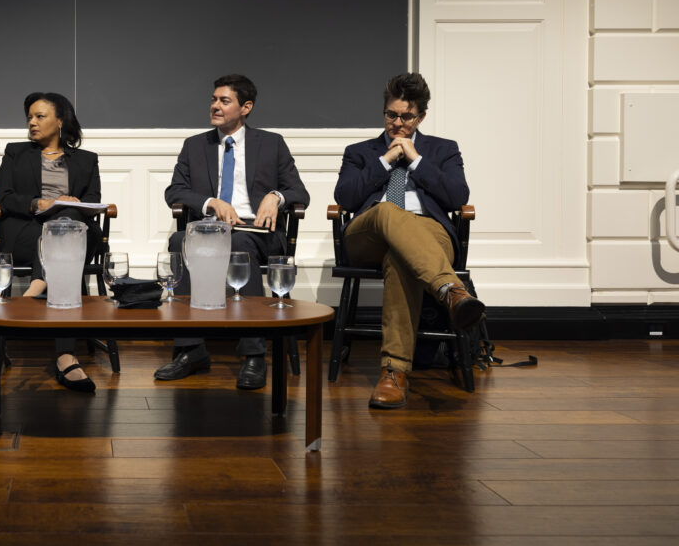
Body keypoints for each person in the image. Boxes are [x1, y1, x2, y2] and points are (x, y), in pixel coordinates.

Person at [334, 72, 484, 410]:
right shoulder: (360, 152)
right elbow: (345, 196)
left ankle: (394, 373)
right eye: (391, 115)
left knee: (401, 257)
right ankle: (450, 290)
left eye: (406, 116)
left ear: (421, 117)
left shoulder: (443, 150)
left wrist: (415, 159)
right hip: (369, 233)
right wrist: (386, 160)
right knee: (388, 212)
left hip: (428, 233)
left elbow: (457, 196)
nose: (397, 123)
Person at [158, 74, 310, 390]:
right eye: (213, 99)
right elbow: (175, 191)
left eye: (224, 100)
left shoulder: (271, 144)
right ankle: (191, 350)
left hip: (256, 232)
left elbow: (299, 192)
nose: (215, 105)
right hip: (211, 230)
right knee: (179, 239)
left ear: (246, 107)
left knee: (239, 241)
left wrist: (275, 196)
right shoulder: (195, 145)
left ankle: (254, 355)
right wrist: (211, 202)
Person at [0, 92, 102, 393]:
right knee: (64, 248)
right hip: (28, 232)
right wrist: (39, 202)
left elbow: (93, 200)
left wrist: (73, 203)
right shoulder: (16, 152)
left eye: (40, 116)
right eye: (29, 117)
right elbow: (3, 196)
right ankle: (67, 357)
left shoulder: (86, 160)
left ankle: (37, 285)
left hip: (76, 234)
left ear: (60, 120)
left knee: (66, 220)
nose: (32, 122)